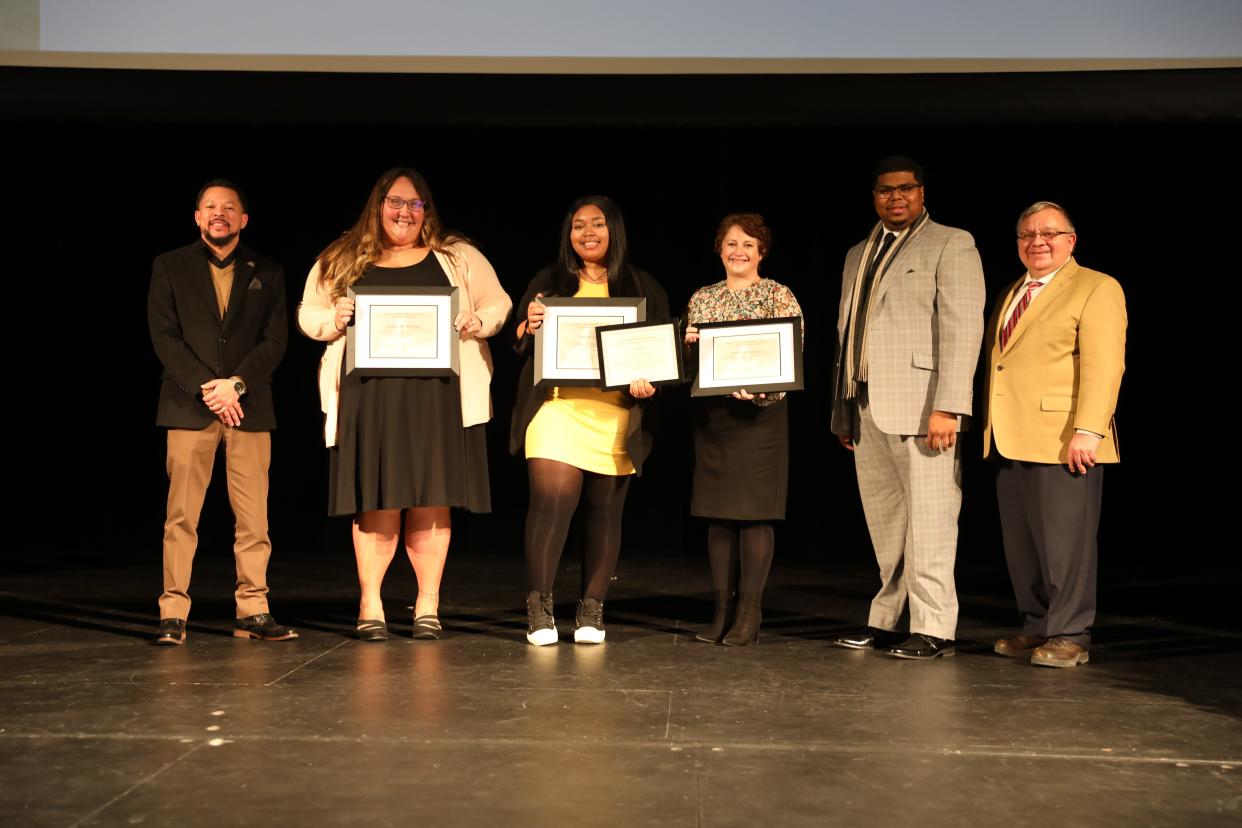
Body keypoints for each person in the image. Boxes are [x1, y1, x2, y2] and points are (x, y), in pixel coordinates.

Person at [298, 167, 511, 642]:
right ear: (378, 207)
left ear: (426, 211)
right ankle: (370, 601)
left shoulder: (457, 257)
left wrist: (480, 321)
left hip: (438, 397)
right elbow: (307, 314)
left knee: (432, 499)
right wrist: (333, 318)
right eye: (395, 202)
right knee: (376, 498)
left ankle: (427, 603)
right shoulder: (342, 257)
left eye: (415, 205)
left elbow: (499, 303)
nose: (404, 212)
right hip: (369, 397)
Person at [829, 156, 985, 660]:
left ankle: (935, 627)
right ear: (874, 196)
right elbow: (846, 335)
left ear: (922, 192)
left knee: (932, 518)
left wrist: (950, 407)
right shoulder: (858, 252)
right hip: (868, 404)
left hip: (924, 407)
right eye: (885, 190)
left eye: (906, 189)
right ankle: (888, 620)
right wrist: (844, 407)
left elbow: (964, 329)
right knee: (886, 521)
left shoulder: (951, 242)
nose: (895, 198)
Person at [511, 195, 669, 646]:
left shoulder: (642, 285)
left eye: (597, 225)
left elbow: (660, 352)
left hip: (615, 413)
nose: (587, 233)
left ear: (614, 230)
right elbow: (519, 342)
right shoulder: (550, 280)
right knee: (552, 502)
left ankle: (591, 609)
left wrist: (649, 381)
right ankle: (540, 608)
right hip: (558, 408)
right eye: (578, 226)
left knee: (604, 513)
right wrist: (530, 322)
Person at [148, 179, 294, 645]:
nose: (219, 213)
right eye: (210, 206)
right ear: (197, 216)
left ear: (243, 219)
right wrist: (208, 389)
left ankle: (253, 608)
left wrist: (236, 384)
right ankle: (174, 611)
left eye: (229, 207)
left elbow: (275, 341)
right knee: (181, 516)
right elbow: (164, 337)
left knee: (254, 519)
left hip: (248, 407)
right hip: (190, 406)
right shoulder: (169, 265)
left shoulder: (266, 271)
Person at [984, 202, 1126, 668]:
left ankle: (1070, 634)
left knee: (1067, 546)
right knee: (1023, 546)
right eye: (1026, 234)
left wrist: (1089, 430)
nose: (1037, 241)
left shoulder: (1096, 287)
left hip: (1065, 437)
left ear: (1071, 240)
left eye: (1048, 232)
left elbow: (1105, 365)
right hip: (1010, 436)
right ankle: (1038, 625)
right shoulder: (1011, 292)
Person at [684, 213, 803, 646]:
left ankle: (749, 612)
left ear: (762, 252)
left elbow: (791, 354)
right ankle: (720, 610)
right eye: (731, 243)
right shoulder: (702, 297)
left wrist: (759, 392)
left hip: (760, 419)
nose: (739, 252)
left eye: (748, 245)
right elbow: (688, 365)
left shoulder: (778, 295)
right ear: (719, 249)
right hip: (715, 419)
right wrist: (689, 346)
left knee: (754, 515)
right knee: (717, 516)